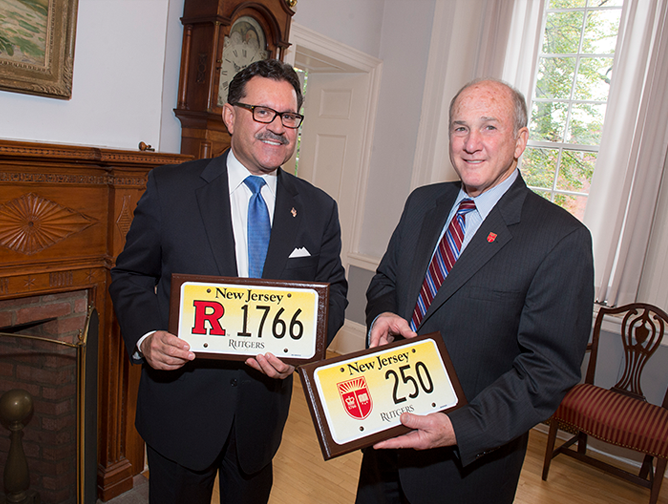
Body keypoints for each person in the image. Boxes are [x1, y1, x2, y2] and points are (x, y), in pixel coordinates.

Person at [109, 59, 348, 504]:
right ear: (230, 115)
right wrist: (145, 337)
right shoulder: (170, 189)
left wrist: (300, 350)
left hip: (260, 419)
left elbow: (334, 293)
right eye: (263, 112)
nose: (277, 127)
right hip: (180, 413)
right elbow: (130, 275)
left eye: (289, 116)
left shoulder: (318, 209)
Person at [355, 78, 594, 504]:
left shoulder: (561, 238)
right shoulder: (422, 202)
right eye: (460, 127)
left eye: (489, 127)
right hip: (384, 447)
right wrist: (383, 314)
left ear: (520, 140)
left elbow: (547, 372)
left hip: (465, 472)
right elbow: (386, 280)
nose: (471, 143)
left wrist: (458, 429)